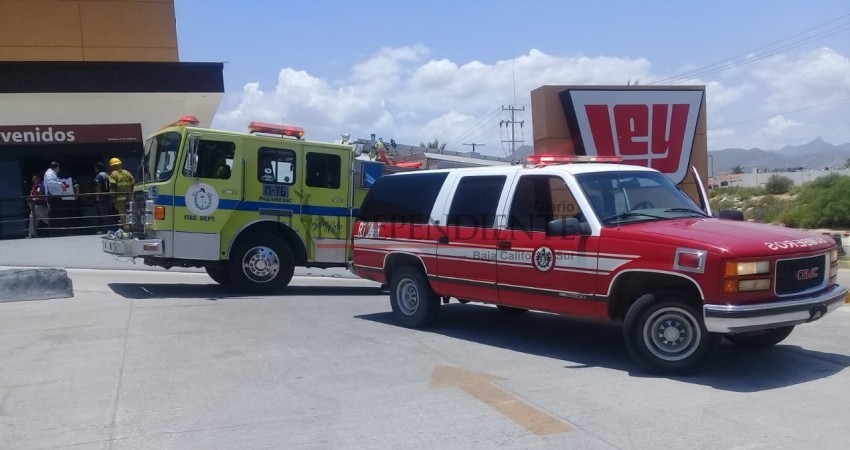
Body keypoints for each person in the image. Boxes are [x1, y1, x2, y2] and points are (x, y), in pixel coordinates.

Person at [107, 157, 135, 230]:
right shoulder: (127, 173)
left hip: (119, 198)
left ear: (112, 166)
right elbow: (133, 183)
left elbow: (112, 185)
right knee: (130, 212)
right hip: (129, 197)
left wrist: (112, 196)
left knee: (122, 214)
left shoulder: (113, 175)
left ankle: (126, 229)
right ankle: (133, 227)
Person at [93, 162, 114, 233]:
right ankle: (110, 228)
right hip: (109, 196)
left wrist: (97, 196)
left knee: (104, 213)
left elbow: (99, 186)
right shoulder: (107, 175)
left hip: (103, 197)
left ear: (97, 168)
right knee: (109, 213)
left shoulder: (99, 176)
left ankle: (106, 229)